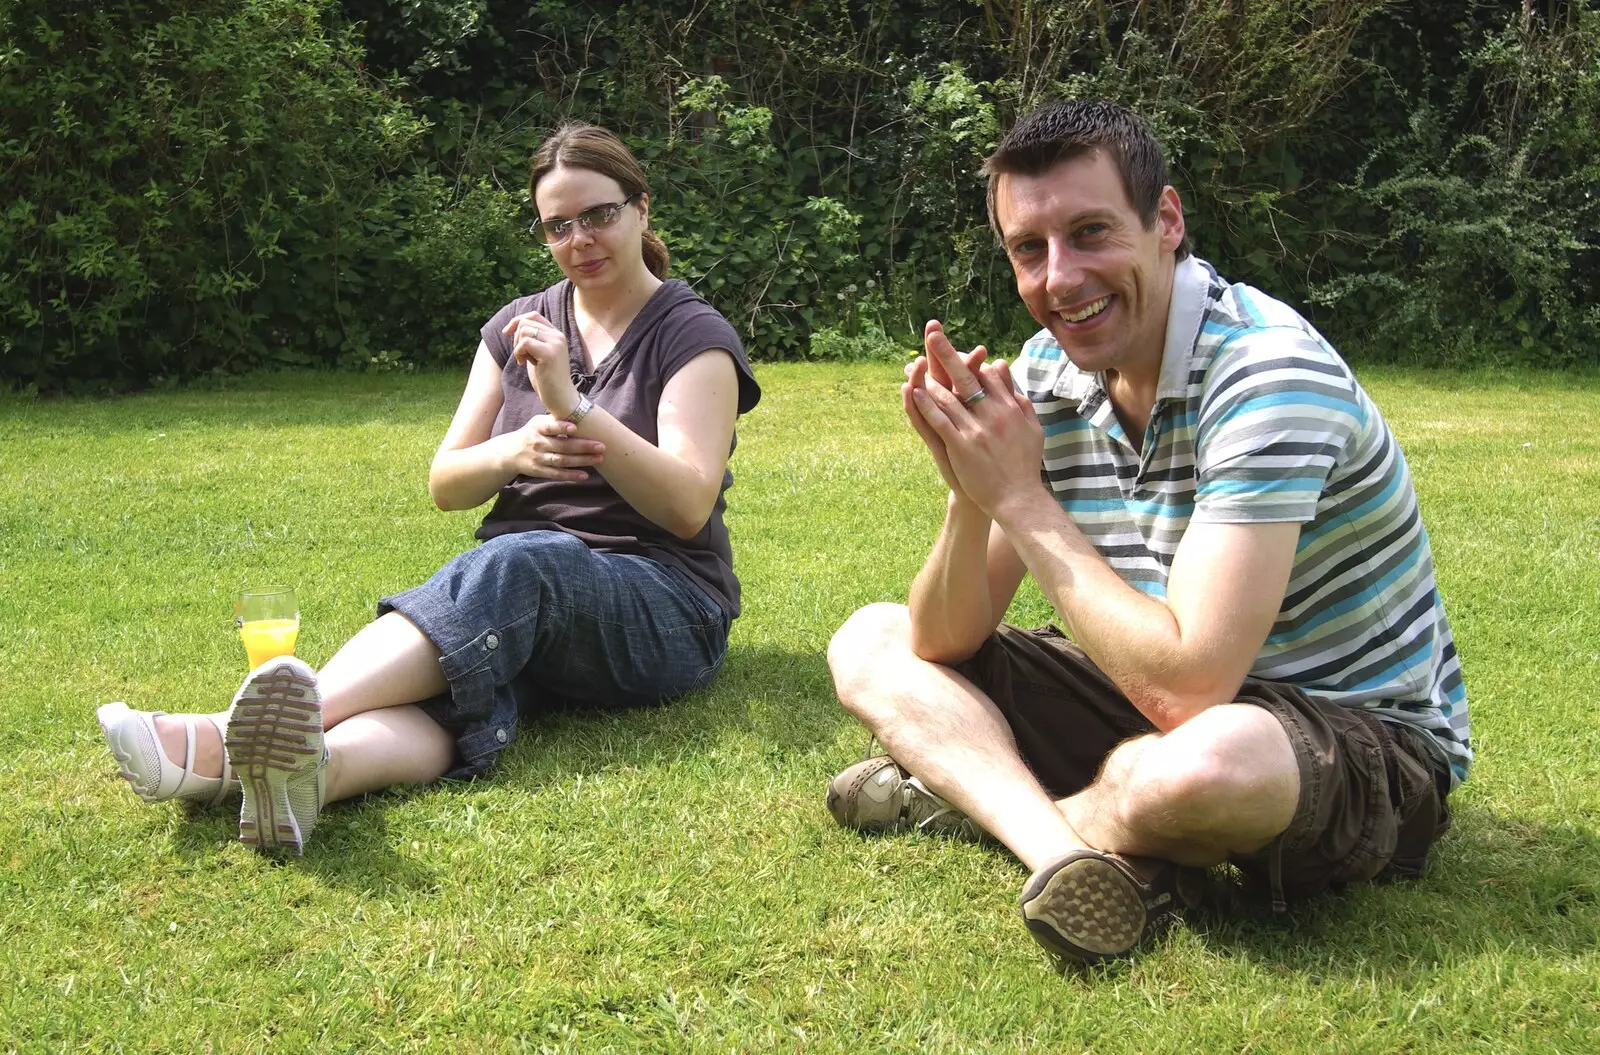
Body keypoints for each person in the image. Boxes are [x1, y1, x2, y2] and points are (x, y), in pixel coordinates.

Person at [824, 100, 1468, 965]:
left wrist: (1023, 499)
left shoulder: (1266, 370)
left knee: (1205, 766)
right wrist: (972, 492)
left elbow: (1194, 688)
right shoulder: (1051, 371)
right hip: (1153, 693)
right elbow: (944, 638)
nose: (1061, 278)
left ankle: (975, 797)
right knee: (872, 640)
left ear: (1166, 221)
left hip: (1350, 735)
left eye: (1091, 232)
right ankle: (1070, 856)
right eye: (1029, 250)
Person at [97, 122, 761, 854]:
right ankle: (312, 773)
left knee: (519, 566)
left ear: (642, 208)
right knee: (457, 673)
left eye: (601, 214)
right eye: (558, 226)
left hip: (664, 606)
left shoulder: (692, 335)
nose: (582, 239)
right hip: (518, 600)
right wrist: (512, 448)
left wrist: (574, 406)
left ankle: (223, 740)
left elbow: (687, 502)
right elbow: (447, 484)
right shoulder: (520, 325)